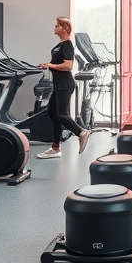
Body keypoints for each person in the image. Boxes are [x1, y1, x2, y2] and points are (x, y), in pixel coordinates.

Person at [36, 17, 90, 158]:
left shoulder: (67, 45)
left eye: (57, 26)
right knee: (53, 113)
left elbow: (68, 65)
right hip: (59, 84)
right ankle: (55, 148)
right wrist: (47, 64)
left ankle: (81, 132)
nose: (54, 28)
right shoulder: (60, 45)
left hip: (65, 83)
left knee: (61, 114)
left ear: (65, 28)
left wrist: (50, 65)